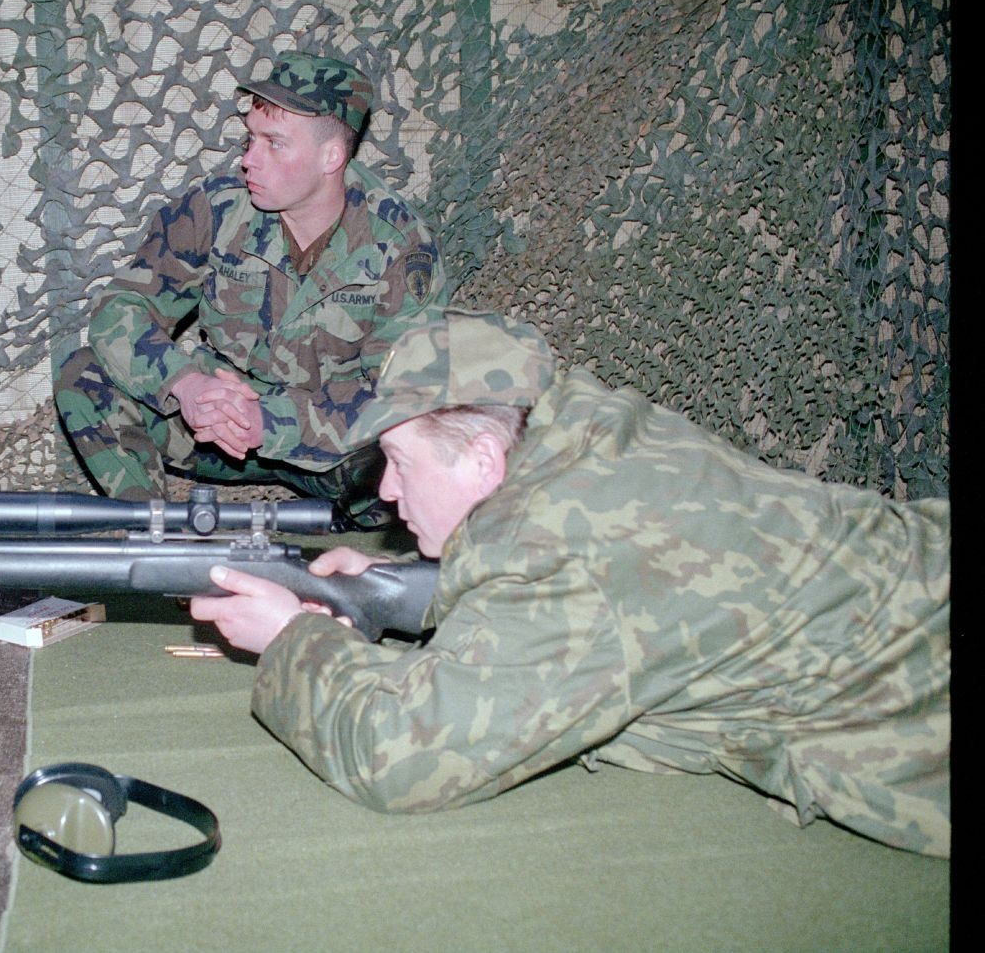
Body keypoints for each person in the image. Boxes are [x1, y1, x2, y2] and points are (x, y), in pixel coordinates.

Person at [189, 308, 951, 858]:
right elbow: (590, 581)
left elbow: (401, 755)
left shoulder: (564, 545)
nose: (386, 492)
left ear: (485, 458)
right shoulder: (583, 432)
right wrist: (405, 583)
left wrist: (292, 635)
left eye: (402, 460)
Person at [54, 50, 453, 530]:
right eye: (250, 139)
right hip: (215, 428)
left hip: (333, 453)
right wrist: (186, 385)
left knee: (414, 444)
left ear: (332, 157)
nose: (248, 160)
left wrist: (273, 420)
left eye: (274, 143)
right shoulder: (217, 209)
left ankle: (351, 535)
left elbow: (400, 392)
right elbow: (122, 307)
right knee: (86, 375)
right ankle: (154, 537)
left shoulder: (399, 243)